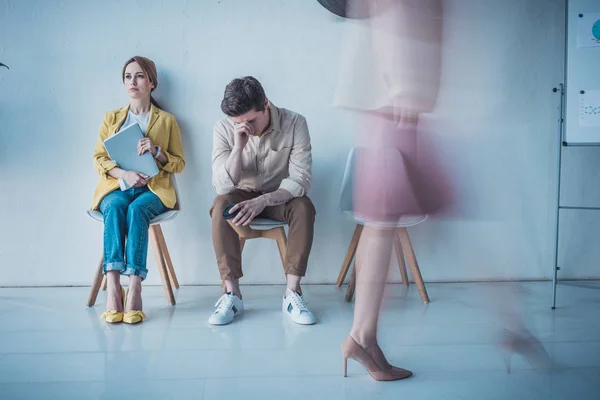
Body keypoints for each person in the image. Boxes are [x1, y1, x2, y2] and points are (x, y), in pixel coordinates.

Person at [332, 0, 443, 380]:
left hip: (387, 92)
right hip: (395, 92)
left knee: (380, 219)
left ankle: (363, 337)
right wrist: (404, 85)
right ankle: (362, 337)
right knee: (383, 219)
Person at [208, 76, 316, 326]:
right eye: (239, 122)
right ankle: (232, 294)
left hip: (278, 197)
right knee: (220, 204)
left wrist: (265, 201)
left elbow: (301, 179)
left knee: (304, 206)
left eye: (251, 120)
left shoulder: (295, 123)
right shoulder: (223, 129)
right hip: (241, 196)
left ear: (265, 104)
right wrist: (238, 147)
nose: (246, 127)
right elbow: (223, 185)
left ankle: (292, 294)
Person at [91, 56, 185, 324]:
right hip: (118, 187)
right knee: (115, 206)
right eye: (128, 77)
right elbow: (99, 159)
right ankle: (113, 288)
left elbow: (179, 164)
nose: (133, 81)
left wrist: (156, 150)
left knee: (136, 209)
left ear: (151, 83)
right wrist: (125, 174)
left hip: (153, 192)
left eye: (140, 76)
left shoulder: (166, 121)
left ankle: (134, 287)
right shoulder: (112, 118)